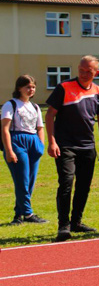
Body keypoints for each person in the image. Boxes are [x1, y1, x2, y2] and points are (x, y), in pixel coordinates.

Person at [45, 55, 99, 241]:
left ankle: (77, 222)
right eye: (81, 70)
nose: (83, 73)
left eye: (88, 71)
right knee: (66, 183)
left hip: (87, 146)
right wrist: (52, 141)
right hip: (65, 145)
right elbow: (49, 115)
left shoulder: (98, 91)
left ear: (96, 72)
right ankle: (63, 226)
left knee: (84, 186)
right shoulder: (64, 87)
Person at [2, 75, 47, 225]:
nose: (31, 89)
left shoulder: (35, 107)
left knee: (30, 181)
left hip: (33, 142)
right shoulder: (11, 105)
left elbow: (40, 127)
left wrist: (41, 145)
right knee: (22, 180)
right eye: (28, 87)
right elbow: (5, 129)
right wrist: (9, 150)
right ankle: (28, 214)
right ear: (19, 88)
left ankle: (18, 215)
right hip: (17, 141)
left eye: (33, 87)